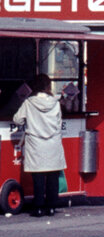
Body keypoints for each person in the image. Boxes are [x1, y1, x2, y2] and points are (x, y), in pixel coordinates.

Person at [13, 74, 67, 217]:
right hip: (53, 144)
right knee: (52, 177)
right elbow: (59, 123)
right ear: (48, 86)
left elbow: (17, 120)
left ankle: (38, 207)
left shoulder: (29, 103)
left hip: (36, 144)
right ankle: (51, 207)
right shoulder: (55, 103)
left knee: (38, 178)